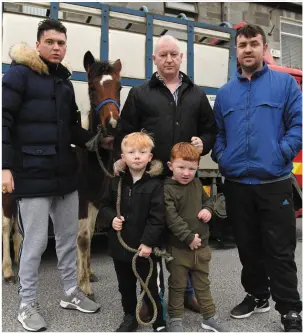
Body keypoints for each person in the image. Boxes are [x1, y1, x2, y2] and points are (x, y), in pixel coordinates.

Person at [2, 19, 100, 332]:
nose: (57, 47)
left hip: (64, 175)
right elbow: (2, 120)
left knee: (68, 240)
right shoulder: (18, 74)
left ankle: (71, 293)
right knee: (34, 244)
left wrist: (96, 140)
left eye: (61, 43)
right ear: (39, 43)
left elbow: (71, 127)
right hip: (31, 175)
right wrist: (4, 167)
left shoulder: (64, 83)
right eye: (51, 42)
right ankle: (26, 304)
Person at [114, 34, 217, 314]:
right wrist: (121, 162)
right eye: (163, 55)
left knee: (185, 237)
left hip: (183, 182)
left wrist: (203, 143)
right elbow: (124, 131)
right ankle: (150, 298)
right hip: (150, 179)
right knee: (151, 238)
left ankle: (187, 293)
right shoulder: (140, 93)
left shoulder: (196, 94)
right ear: (154, 59)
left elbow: (211, 129)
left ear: (181, 57)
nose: (169, 59)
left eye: (174, 54)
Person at [211, 24, 302, 332]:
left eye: (253, 43)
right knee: (248, 247)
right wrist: (223, 156)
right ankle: (257, 295)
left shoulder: (285, 85)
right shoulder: (225, 93)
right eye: (242, 44)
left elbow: (298, 125)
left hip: (274, 184)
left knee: (280, 249)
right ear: (236, 50)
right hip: (237, 186)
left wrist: (282, 152)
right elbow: (219, 134)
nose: (247, 49)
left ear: (264, 48)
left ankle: (289, 309)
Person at [99, 131, 167, 332]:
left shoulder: (156, 185)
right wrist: (111, 218)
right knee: (125, 286)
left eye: (142, 152)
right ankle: (130, 316)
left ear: (150, 157)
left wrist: (148, 243)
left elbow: (158, 217)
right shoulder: (114, 182)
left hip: (145, 249)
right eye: (131, 152)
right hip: (120, 247)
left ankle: (158, 319)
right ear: (123, 157)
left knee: (151, 286)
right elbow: (103, 206)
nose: (137, 156)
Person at [164, 142, 227, 332]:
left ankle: (209, 317)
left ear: (197, 168)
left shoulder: (197, 183)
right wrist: (189, 237)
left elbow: (208, 201)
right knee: (177, 285)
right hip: (178, 248)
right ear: (170, 166)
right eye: (181, 167)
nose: (186, 173)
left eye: (191, 168)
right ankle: (175, 319)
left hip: (202, 247)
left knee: (203, 284)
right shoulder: (167, 189)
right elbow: (171, 218)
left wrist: (208, 209)